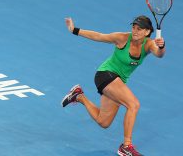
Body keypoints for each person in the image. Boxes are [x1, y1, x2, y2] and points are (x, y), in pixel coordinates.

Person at [61, 15, 165, 156]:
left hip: (118, 82)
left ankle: (79, 96)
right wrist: (74, 30)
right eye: (133, 27)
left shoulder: (149, 44)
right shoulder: (122, 38)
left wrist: (161, 46)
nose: (135, 31)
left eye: (139, 29)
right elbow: (99, 36)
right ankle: (126, 147)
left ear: (147, 32)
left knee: (103, 122)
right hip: (105, 74)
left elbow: (159, 54)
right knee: (133, 105)